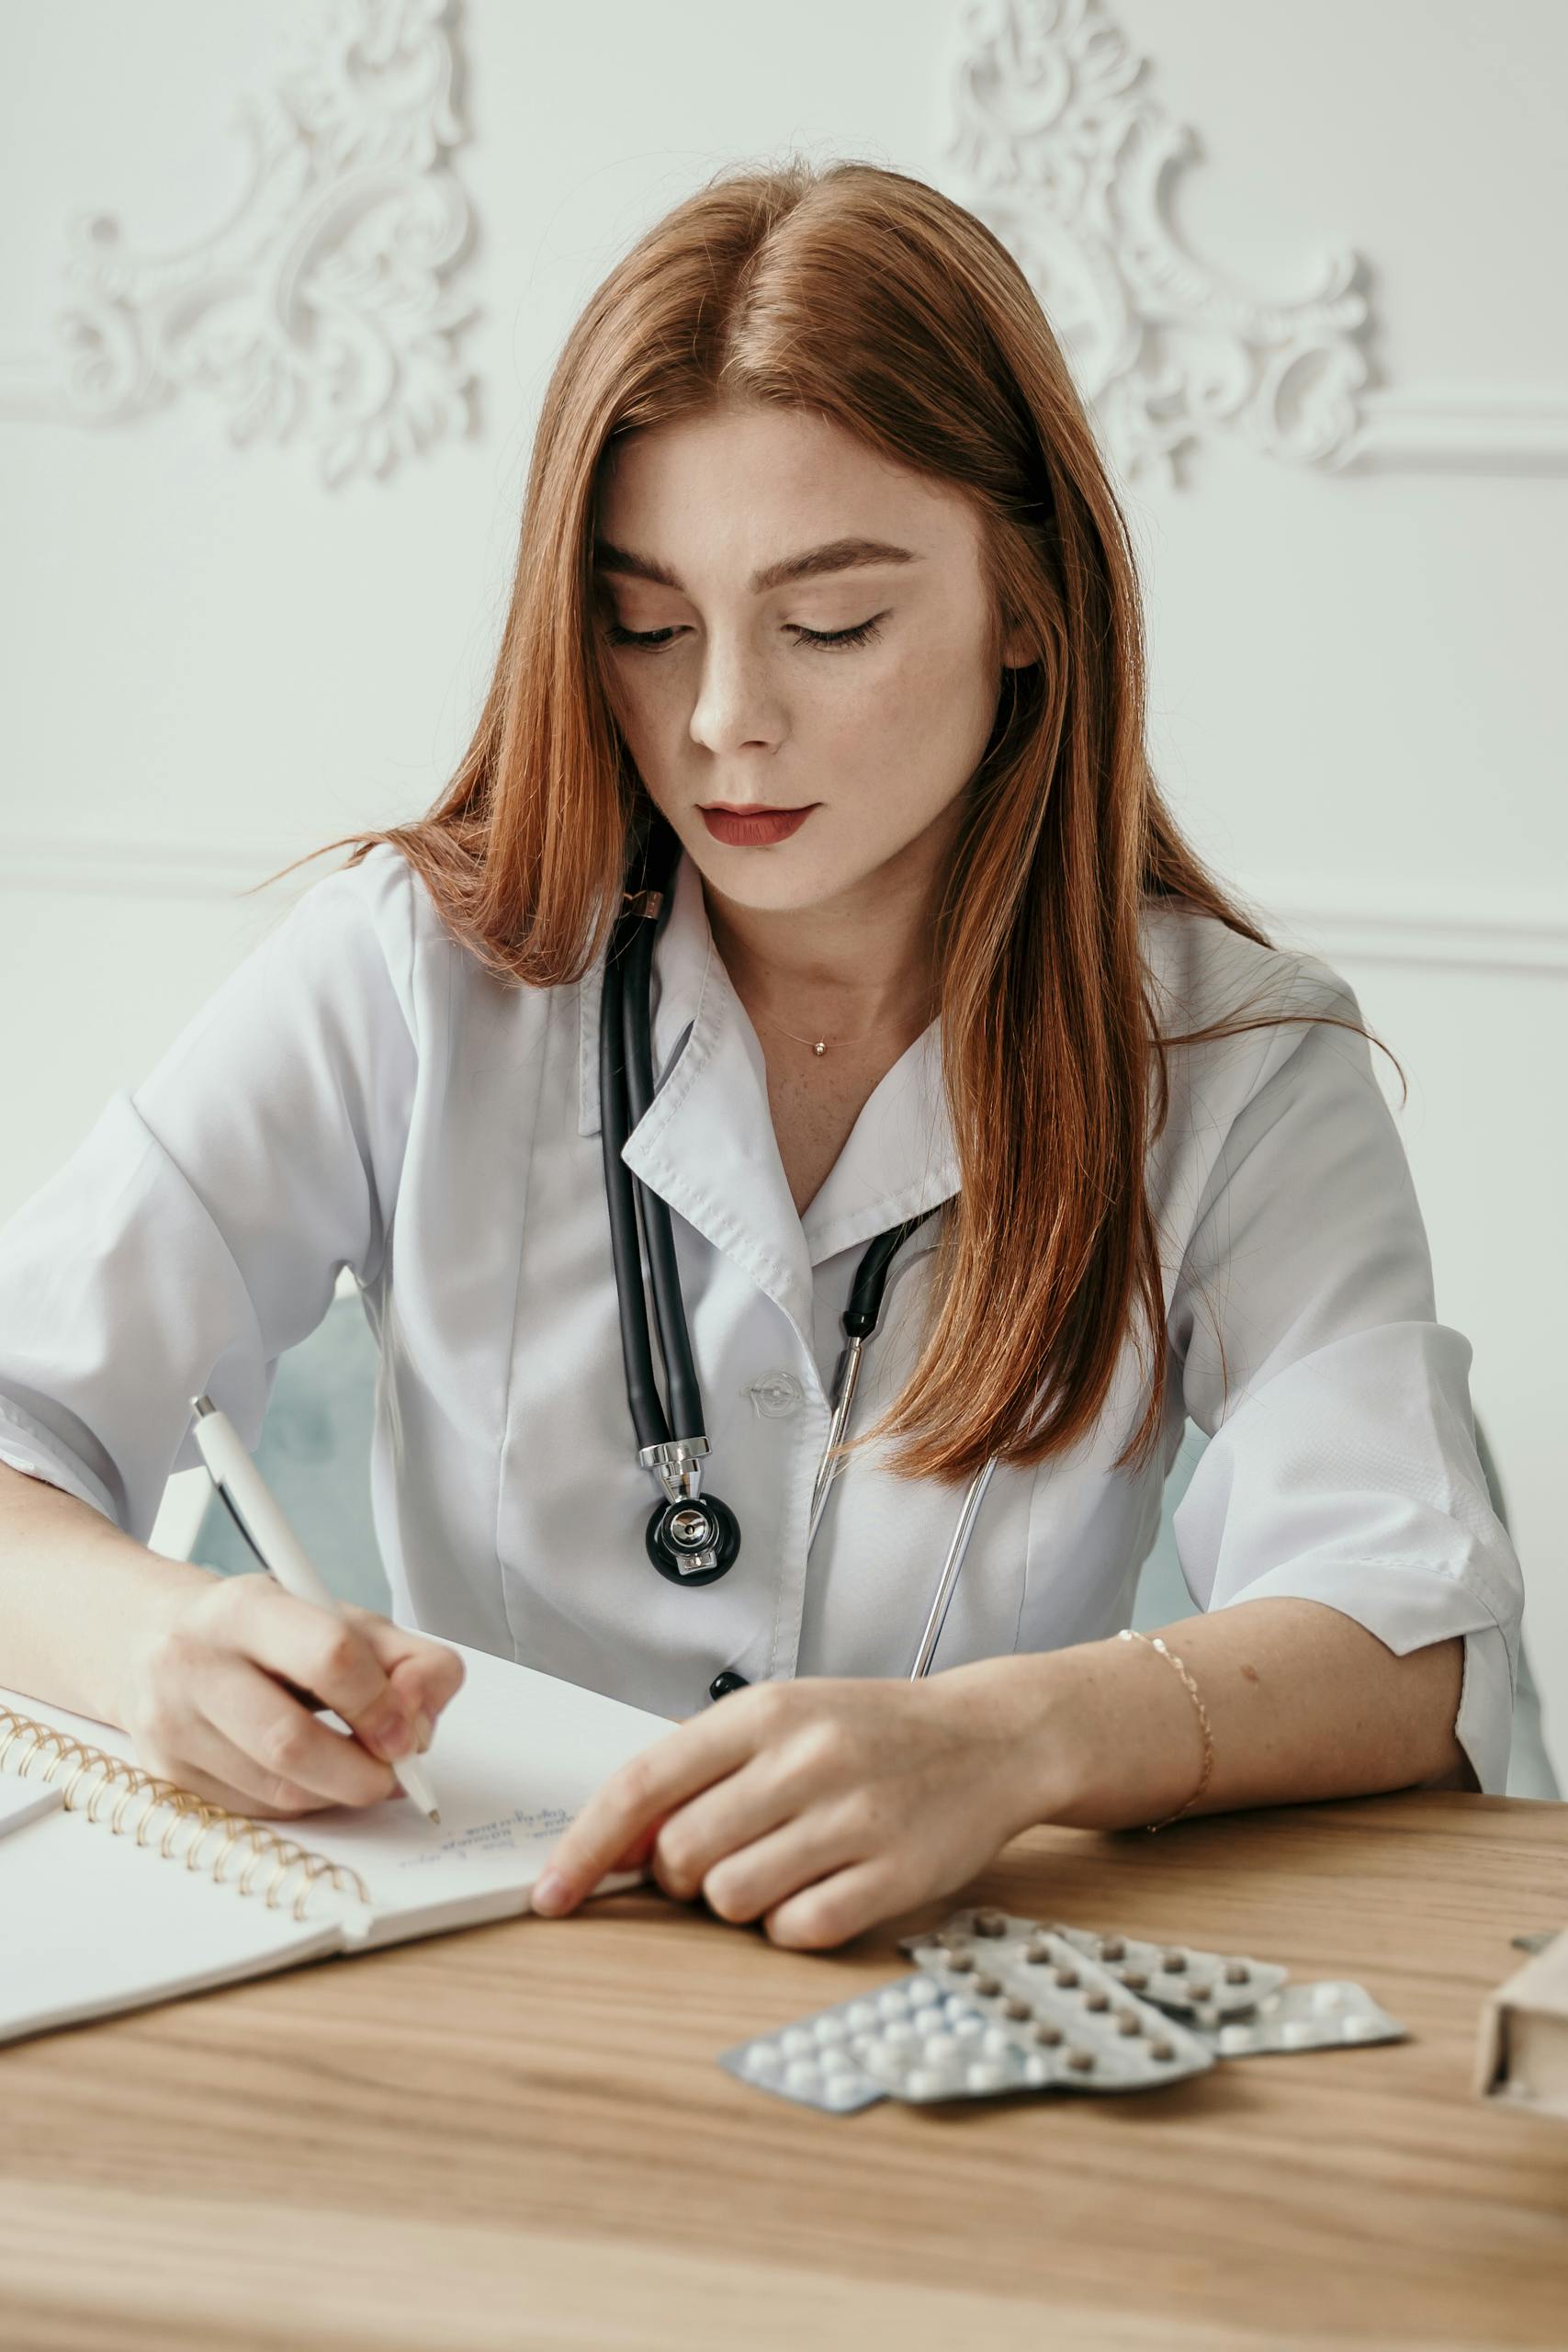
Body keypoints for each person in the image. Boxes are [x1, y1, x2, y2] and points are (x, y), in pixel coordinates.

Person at [0, 159, 1522, 1953]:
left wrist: (1009, 1740)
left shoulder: (1236, 1062)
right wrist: (161, 1642)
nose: (722, 715)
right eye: (648, 624)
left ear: (1028, 607)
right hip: (481, 1992)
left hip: (953, 2009)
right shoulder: (410, 975)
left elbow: (1403, 1635)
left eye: (829, 623)